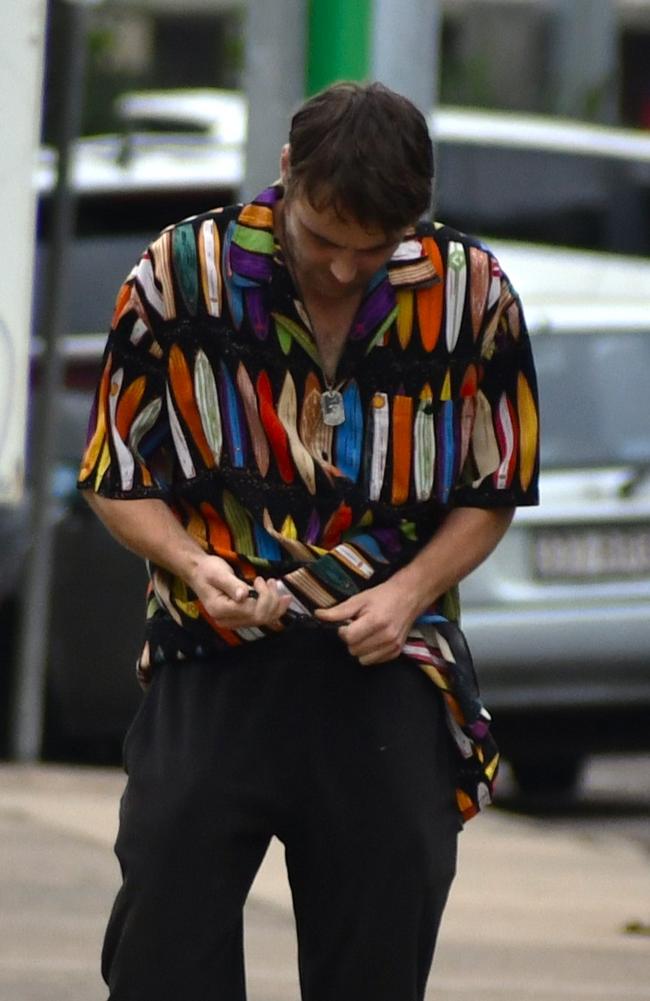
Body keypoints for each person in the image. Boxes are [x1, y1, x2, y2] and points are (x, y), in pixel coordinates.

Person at [78, 81, 539, 1001]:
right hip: (213, 651)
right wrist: (193, 565)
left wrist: (408, 593)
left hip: (389, 663)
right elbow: (114, 472)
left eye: (372, 252)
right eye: (323, 239)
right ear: (287, 174)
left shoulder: (473, 291)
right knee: (163, 945)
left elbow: (495, 487)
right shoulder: (179, 273)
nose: (340, 270)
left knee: (378, 951)